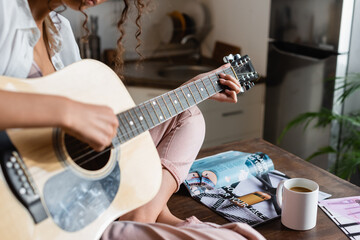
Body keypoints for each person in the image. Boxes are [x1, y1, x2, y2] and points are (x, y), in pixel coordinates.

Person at [0, 0, 265, 239]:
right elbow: (73, 115)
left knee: (188, 116)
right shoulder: (5, 11)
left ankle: (144, 216)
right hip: (27, 195)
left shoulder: (60, 31)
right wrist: (68, 111)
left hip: (71, 176)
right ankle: (148, 221)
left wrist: (192, 90)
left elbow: (93, 129)